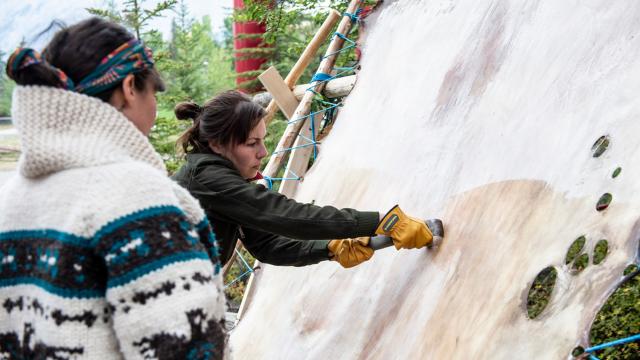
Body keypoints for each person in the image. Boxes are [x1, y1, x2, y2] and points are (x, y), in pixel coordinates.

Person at [0, 18, 226, 359]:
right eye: (154, 92)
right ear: (130, 87)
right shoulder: (134, 195)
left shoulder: (13, 196)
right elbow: (181, 346)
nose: (154, 109)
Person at [171, 90, 444, 270]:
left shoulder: (218, 180)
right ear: (217, 144)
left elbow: (267, 245)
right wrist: (381, 221)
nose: (263, 152)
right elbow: (284, 214)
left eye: (262, 141)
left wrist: (330, 247)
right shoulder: (207, 178)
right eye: (252, 143)